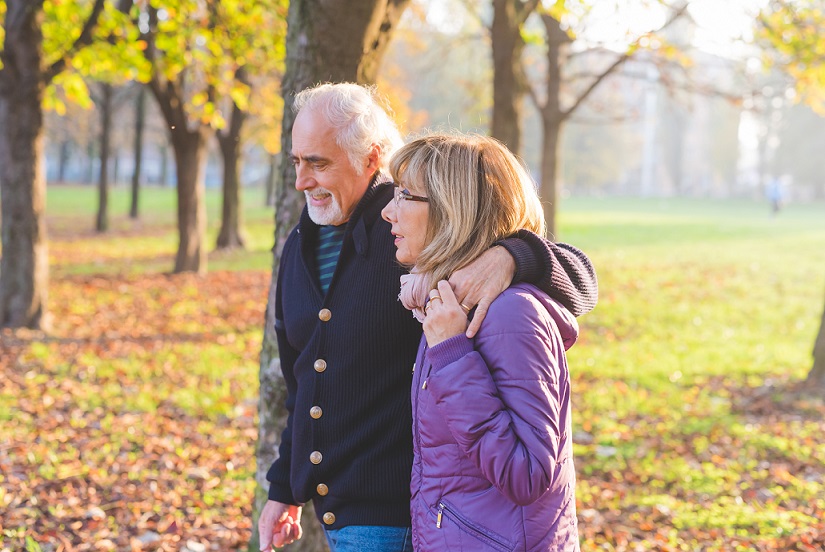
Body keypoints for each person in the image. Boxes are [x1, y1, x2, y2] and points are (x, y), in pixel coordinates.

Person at [258, 83, 596, 552]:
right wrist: (284, 488)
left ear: (370, 157)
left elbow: (576, 279)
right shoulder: (302, 241)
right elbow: (304, 378)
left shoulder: (418, 232)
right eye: (296, 162)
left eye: (318, 163)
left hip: (407, 519)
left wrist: (510, 256)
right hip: (362, 514)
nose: (301, 180)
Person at [381, 133, 582, 551]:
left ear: (453, 211)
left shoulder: (511, 314)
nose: (387, 211)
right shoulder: (454, 306)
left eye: (405, 196)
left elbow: (527, 474)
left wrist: (453, 356)